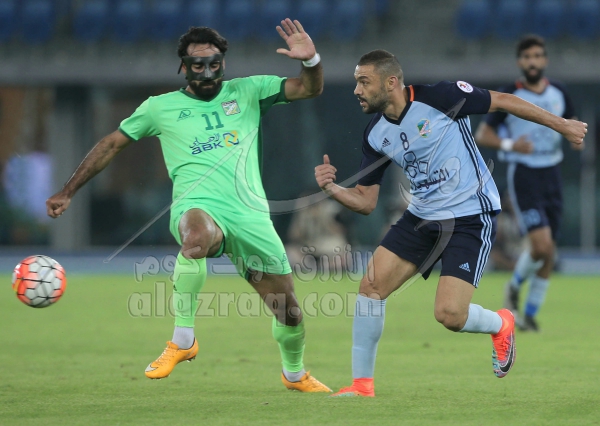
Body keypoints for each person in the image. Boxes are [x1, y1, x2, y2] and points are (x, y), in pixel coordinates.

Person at [46, 20, 331, 392]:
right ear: (183, 66)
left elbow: (309, 88)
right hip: (197, 204)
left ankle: (294, 374)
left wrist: (311, 61)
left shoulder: (249, 91)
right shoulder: (159, 108)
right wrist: (68, 190)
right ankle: (183, 338)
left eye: (214, 64)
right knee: (195, 236)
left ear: (223, 63)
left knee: (289, 311)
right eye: (198, 65)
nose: (207, 72)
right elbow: (112, 144)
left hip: (250, 215)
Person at [314, 50, 586, 397]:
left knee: (450, 315)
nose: (357, 90)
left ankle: (502, 323)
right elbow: (366, 201)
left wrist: (562, 125)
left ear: (391, 82)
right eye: (356, 82)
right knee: (370, 288)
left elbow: (503, 101)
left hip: (469, 215)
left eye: (364, 82)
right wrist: (333, 189)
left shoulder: (442, 97)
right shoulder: (375, 133)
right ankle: (361, 385)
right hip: (421, 217)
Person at [474, 35, 580, 332]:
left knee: (549, 251)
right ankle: (514, 285)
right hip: (525, 175)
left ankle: (530, 315)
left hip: (552, 173)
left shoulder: (559, 91)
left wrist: (577, 138)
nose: (532, 62)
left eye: (537, 56)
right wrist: (511, 145)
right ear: (520, 62)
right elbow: (483, 135)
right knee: (542, 245)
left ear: (544, 60)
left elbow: (571, 122)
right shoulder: (510, 94)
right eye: (527, 57)